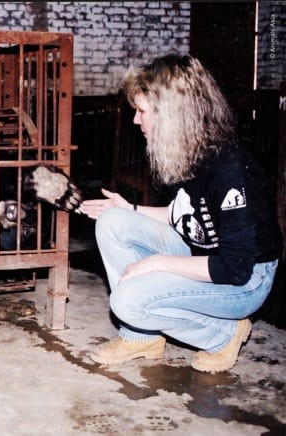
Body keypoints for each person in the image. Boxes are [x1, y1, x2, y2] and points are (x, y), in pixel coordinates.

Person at [81, 53, 283, 374]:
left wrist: (157, 263)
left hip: (246, 281)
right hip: (204, 256)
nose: (136, 121)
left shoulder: (230, 170)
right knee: (112, 222)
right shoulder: (188, 152)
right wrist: (128, 208)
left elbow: (236, 268)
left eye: (141, 111)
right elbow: (186, 218)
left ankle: (224, 335)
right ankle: (141, 337)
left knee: (126, 300)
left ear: (171, 115)